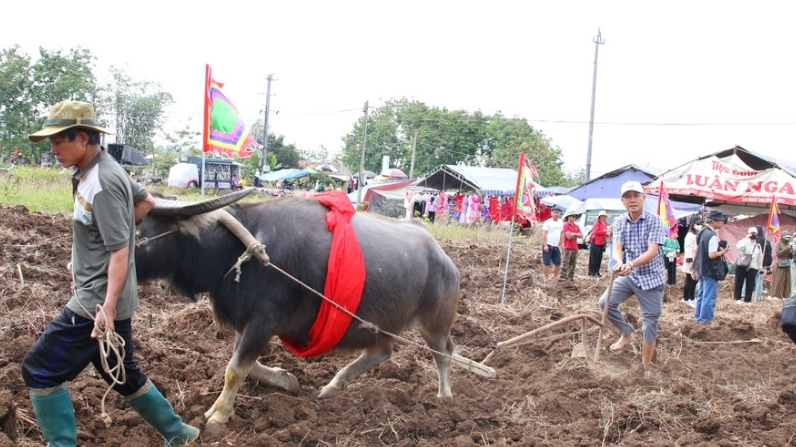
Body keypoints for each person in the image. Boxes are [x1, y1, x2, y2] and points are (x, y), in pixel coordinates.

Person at [21, 101, 199, 446]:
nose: (53, 149)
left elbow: (119, 251)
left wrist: (106, 307)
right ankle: (179, 433)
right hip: (106, 299)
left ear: (83, 137)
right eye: (51, 142)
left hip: (94, 303)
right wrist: (111, 233)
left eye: (59, 141)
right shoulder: (100, 169)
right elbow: (145, 203)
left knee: (38, 371)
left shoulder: (102, 183)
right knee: (121, 373)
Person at [598, 181, 665, 369]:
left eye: (636, 195)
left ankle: (645, 367)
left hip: (651, 278)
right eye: (628, 196)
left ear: (643, 198)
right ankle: (627, 332)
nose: (632, 200)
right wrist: (619, 262)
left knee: (649, 324)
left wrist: (631, 264)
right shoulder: (619, 222)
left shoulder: (654, 220)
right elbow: (617, 248)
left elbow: (652, 251)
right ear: (622, 201)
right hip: (630, 276)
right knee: (605, 303)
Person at [692, 210, 730, 323]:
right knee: (709, 296)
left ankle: (698, 318)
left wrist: (694, 267)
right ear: (713, 221)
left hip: (701, 268)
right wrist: (724, 252)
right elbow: (712, 255)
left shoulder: (702, 232)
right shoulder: (712, 235)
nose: (723, 222)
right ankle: (706, 320)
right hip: (710, 270)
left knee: (702, 295)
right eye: (720, 220)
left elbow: (697, 250)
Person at [733, 227, 763, 304]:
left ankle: (748, 299)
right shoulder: (743, 242)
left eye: (754, 234)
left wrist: (760, 267)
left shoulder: (758, 246)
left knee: (750, 284)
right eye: (752, 233)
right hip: (742, 265)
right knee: (739, 282)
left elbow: (759, 257)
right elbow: (740, 248)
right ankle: (737, 298)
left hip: (752, 267)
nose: (753, 235)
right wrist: (746, 239)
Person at [681, 215, 703, 307]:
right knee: (689, 281)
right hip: (691, 261)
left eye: (701, 224)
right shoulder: (690, 236)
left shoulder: (697, 235)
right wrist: (690, 262)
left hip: (697, 260)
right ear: (693, 225)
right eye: (698, 224)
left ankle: (692, 297)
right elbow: (688, 249)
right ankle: (686, 298)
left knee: (695, 281)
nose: (700, 225)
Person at [541, 208, 564, 284]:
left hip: (556, 245)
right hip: (548, 245)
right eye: (555, 212)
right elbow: (544, 234)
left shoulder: (560, 222)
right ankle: (546, 278)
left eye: (558, 212)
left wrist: (562, 241)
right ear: (551, 213)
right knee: (546, 262)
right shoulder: (548, 222)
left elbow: (561, 233)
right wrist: (545, 245)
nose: (557, 214)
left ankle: (555, 276)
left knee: (558, 263)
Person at [560, 210, 583, 282]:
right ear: (568, 217)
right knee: (565, 263)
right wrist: (576, 234)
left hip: (574, 247)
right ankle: (562, 278)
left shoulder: (576, 226)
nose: (574, 218)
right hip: (567, 247)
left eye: (575, 217)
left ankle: (570, 278)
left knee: (573, 264)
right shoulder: (566, 225)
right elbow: (568, 236)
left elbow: (581, 235)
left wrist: (574, 234)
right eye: (573, 216)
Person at [771, 232, 793, 299]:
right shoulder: (779, 244)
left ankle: (785, 295)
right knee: (779, 279)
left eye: (788, 238)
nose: (787, 239)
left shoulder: (789, 245)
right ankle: (776, 295)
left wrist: (791, 253)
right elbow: (778, 254)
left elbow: (790, 257)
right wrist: (786, 249)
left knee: (787, 279)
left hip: (787, 263)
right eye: (786, 237)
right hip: (780, 263)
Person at [753, 224, 772, 302]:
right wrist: (768, 264)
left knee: (750, 279)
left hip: (753, 263)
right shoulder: (766, 240)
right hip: (763, 263)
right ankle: (757, 297)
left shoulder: (754, 240)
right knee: (760, 280)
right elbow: (769, 253)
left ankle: (746, 295)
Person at [588, 210, 609, 277]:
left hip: (601, 242)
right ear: (599, 217)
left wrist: (606, 234)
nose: (603, 218)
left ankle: (597, 271)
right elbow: (596, 232)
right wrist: (604, 231)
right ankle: (592, 272)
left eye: (604, 216)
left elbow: (604, 233)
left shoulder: (605, 223)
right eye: (602, 216)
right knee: (594, 257)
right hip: (596, 242)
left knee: (599, 257)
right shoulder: (597, 224)